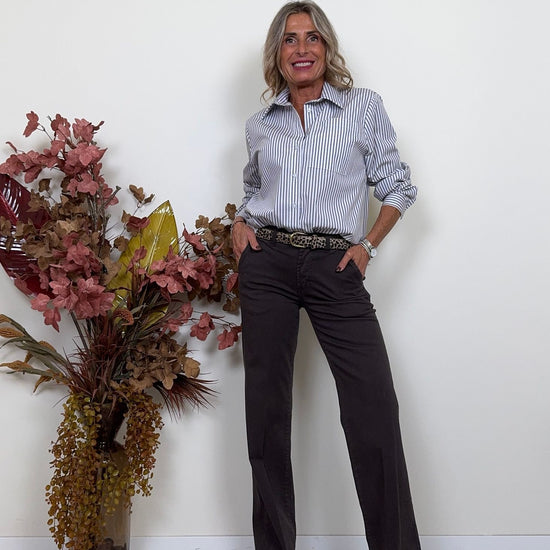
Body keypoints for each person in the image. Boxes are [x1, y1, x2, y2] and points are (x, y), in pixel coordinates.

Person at [232, 2, 421, 549]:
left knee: (374, 406)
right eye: (290, 39)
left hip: (335, 264)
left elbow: (398, 185)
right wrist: (240, 225)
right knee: (266, 413)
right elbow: (255, 191)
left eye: (312, 37)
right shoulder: (259, 124)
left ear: (326, 48)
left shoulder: (362, 107)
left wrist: (368, 245)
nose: (302, 48)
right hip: (268, 264)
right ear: (277, 53)